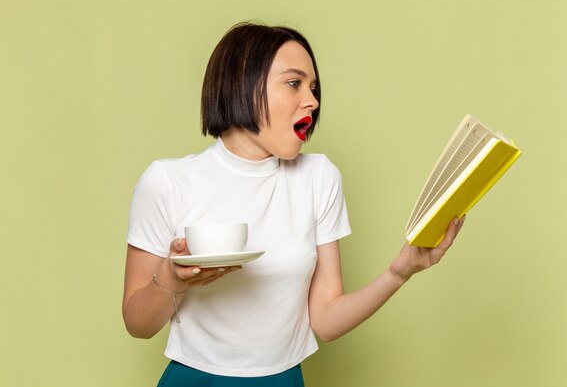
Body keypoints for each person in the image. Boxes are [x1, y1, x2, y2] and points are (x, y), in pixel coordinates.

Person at [123, 22, 465, 387]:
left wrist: (399, 273)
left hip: (284, 379)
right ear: (243, 83)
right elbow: (137, 324)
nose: (312, 101)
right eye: (293, 83)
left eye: (314, 88)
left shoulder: (319, 178)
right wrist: (175, 278)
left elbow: (325, 321)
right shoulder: (167, 182)